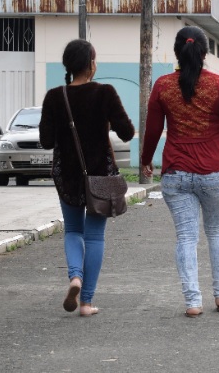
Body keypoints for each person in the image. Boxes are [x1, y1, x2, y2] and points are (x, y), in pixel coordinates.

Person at [141, 26, 219, 318]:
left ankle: (192, 301)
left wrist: (146, 160)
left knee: (186, 238)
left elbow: (153, 131)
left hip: (176, 172)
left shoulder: (162, 86)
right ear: (205, 52)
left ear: (177, 51)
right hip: (215, 171)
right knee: (217, 231)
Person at [39, 39, 135, 317]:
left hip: (66, 175)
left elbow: (46, 141)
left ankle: (75, 277)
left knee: (72, 231)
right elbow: (126, 132)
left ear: (68, 66)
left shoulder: (55, 96)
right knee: (94, 237)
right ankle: (87, 302)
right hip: (100, 176)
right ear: (92, 64)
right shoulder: (105, 92)